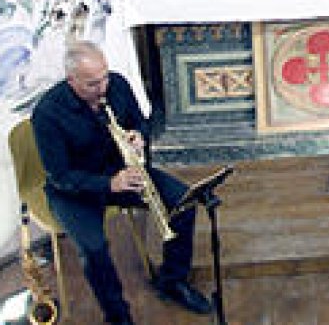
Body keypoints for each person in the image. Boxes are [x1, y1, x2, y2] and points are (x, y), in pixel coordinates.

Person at [32, 41, 211, 323]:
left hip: (121, 172)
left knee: (183, 201)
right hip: (75, 191)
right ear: (71, 81)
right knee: (94, 249)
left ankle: (172, 281)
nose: (103, 87)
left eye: (104, 76)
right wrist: (108, 185)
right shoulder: (47, 113)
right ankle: (118, 317)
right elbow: (61, 176)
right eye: (92, 83)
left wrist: (138, 137)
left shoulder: (117, 84)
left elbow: (140, 122)